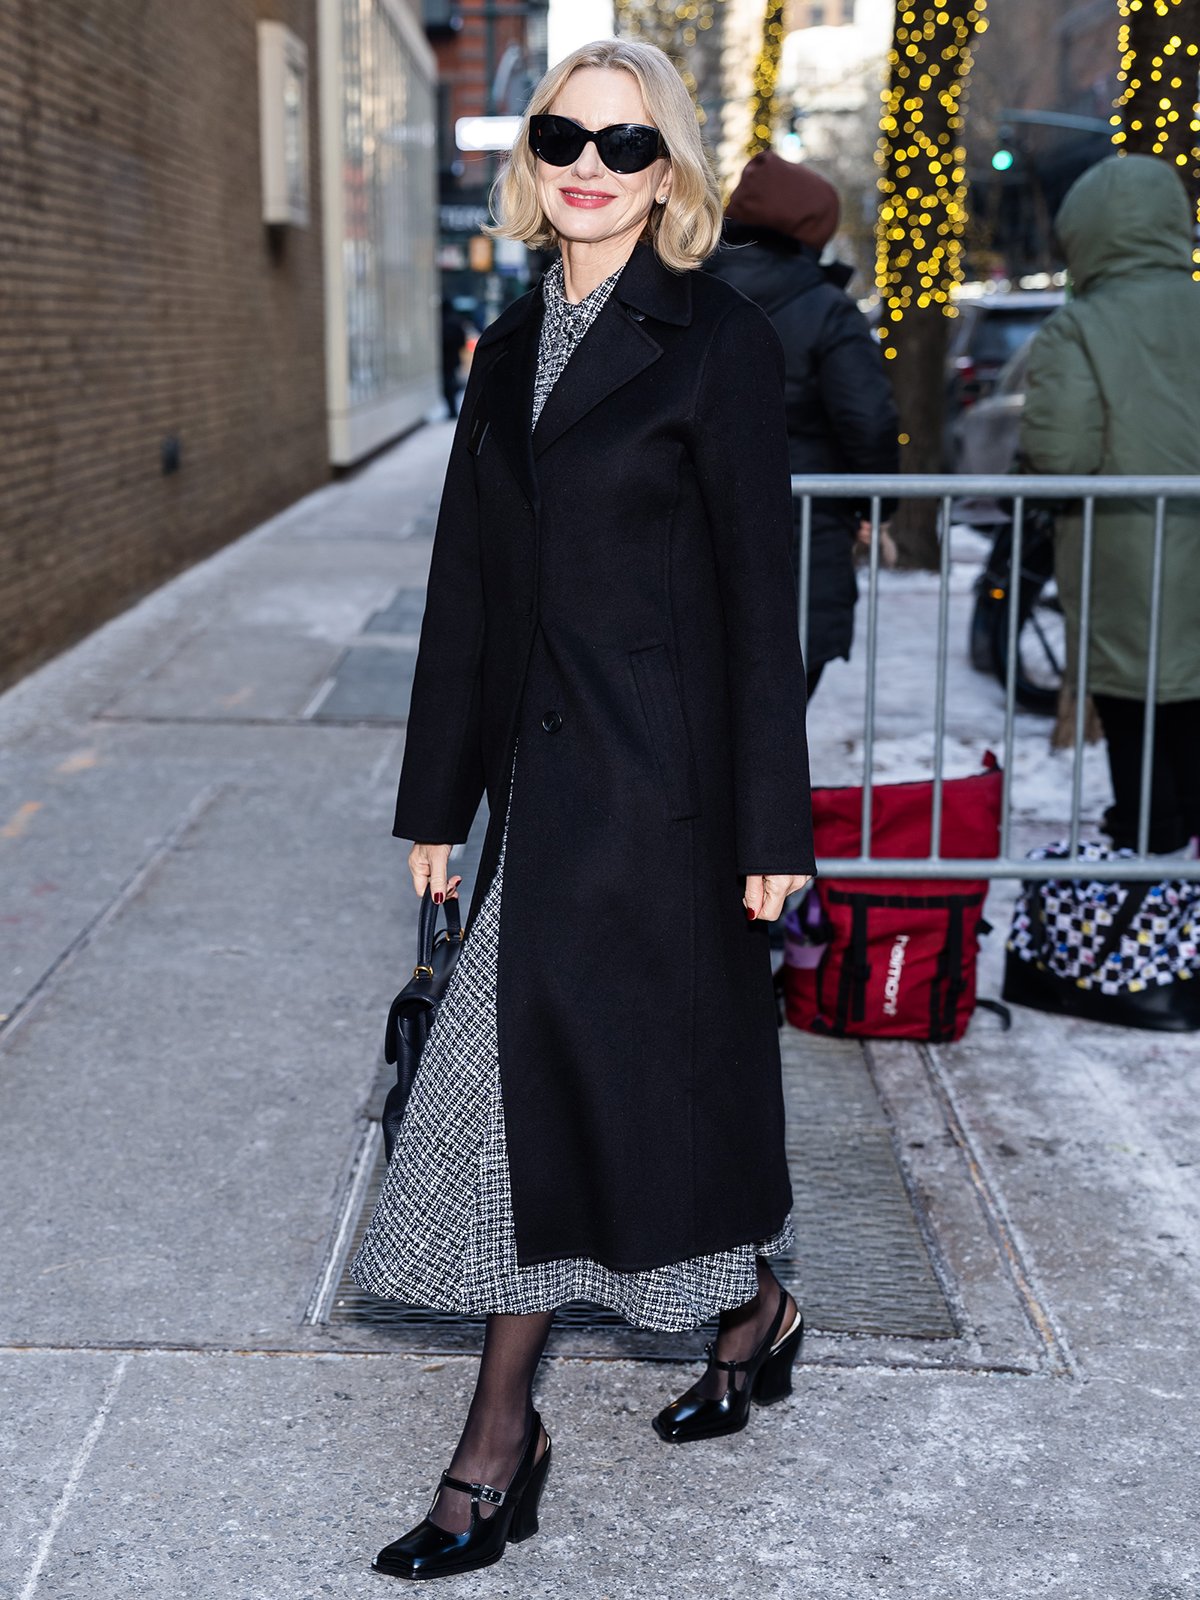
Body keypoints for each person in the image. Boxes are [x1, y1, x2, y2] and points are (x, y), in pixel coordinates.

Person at [350, 37, 815, 1582]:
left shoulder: (720, 345)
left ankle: (721, 1324)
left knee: (633, 1105)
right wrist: (437, 797)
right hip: (540, 800)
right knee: (521, 1102)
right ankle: (514, 1432)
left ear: (670, 172)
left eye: (626, 148)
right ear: (533, 155)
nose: (591, 169)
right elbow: (468, 592)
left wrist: (769, 830)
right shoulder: (500, 350)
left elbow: (764, 605)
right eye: (566, 138)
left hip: (665, 804)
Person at [1021, 154, 1200, 854]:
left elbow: (1061, 455)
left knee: (1141, 731)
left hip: (1130, 563)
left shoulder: (1080, 327)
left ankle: (1153, 899)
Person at [704, 150, 899, 698]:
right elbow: (869, 417)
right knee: (776, 723)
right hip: (799, 536)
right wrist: (874, 507)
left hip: (691, 534)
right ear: (814, 230)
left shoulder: (683, 287)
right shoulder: (826, 309)